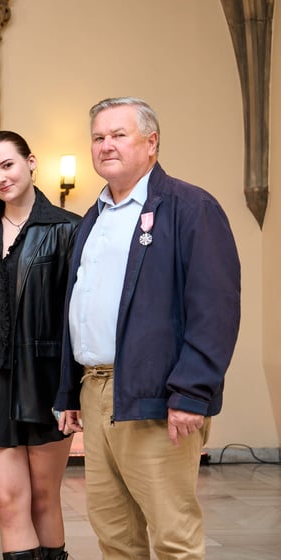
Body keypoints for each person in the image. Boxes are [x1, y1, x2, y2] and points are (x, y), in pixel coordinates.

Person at [54, 97, 240, 559]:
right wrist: (67, 393)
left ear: (151, 142)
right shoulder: (92, 219)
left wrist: (192, 392)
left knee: (173, 536)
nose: (106, 146)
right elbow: (78, 308)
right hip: (94, 393)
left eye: (119, 135)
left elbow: (214, 309)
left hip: (158, 396)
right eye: (98, 137)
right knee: (115, 536)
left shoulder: (191, 207)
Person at [0, 131, 79, 560]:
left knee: (45, 497)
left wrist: (72, 388)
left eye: (7, 165)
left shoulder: (68, 228)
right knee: (10, 502)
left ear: (31, 162)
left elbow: (75, 316)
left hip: (46, 379)